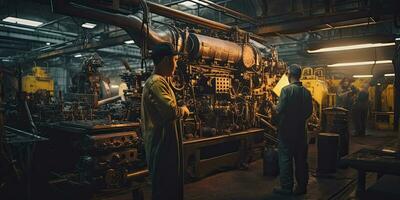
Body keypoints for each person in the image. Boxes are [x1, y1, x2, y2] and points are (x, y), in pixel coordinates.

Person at [141, 43, 190, 200]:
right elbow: (170, 112)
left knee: (170, 188)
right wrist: (183, 110)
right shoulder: (156, 82)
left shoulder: (161, 81)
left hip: (166, 145)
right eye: (175, 60)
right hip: (161, 147)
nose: (176, 65)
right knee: (165, 189)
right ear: (165, 61)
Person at [273, 64, 313, 195]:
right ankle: (302, 187)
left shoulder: (286, 90)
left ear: (289, 74)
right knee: (301, 160)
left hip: (287, 132)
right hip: (301, 131)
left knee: (285, 159)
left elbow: (279, 110)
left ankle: (286, 188)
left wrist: (271, 105)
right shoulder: (307, 92)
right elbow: (309, 112)